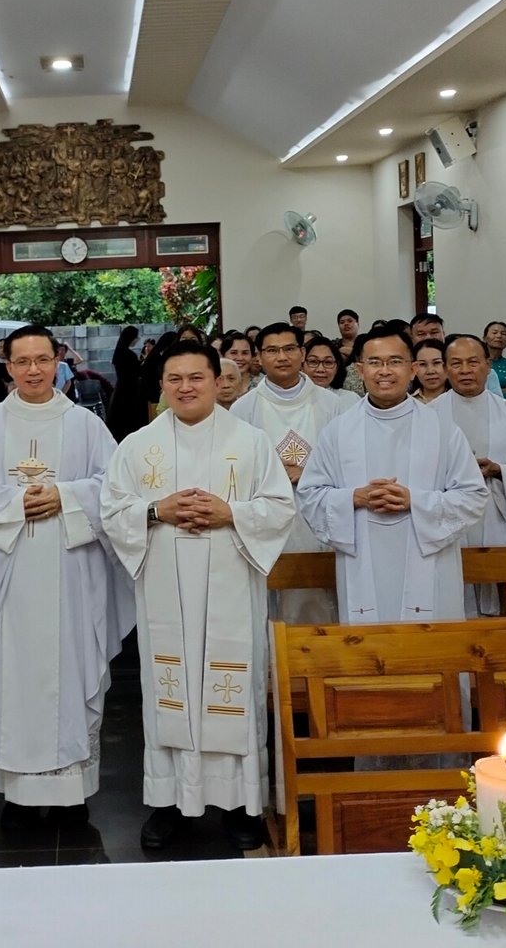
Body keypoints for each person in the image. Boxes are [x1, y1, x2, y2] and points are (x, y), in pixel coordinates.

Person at [101, 341, 294, 851]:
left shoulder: (250, 442)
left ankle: (239, 805)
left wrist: (232, 513)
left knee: (233, 690)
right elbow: (111, 510)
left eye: (196, 377)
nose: (185, 387)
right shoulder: (137, 446)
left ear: (217, 381)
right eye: (175, 379)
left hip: (232, 584)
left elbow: (280, 507)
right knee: (170, 690)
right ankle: (168, 803)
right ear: (161, 385)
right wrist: (156, 510)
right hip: (165, 587)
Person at [0, 325, 121, 828]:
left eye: (42, 360)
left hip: (71, 574)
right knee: (8, 678)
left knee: (70, 673)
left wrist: (64, 496)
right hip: (7, 578)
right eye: (22, 361)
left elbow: (114, 488)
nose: (33, 370)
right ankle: (16, 795)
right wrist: (15, 503)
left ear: (58, 361)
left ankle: (72, 793)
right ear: (7, 366)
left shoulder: (86, 424)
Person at [296, 326, 487, 624]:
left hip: (430, 561)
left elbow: (473, 496)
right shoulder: (338, 430)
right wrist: (354, 497)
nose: (384, 371)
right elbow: (309, 495)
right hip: (362, 558)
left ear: (412, 369)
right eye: (375, 362)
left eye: (395, 361)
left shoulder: (442, 429)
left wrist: (415, 501)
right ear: (360, 370)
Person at [231, 322, 357, 622]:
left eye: (289, 349)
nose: (282, 357)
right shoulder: (243, 409)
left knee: (326, 604)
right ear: (259, 357)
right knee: (274, 610)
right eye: (272, 350)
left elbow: (351, 462)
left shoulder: (333, 405)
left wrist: (309, 471)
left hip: (320, 516)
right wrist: (273, 473)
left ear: (302, 353)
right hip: (268, 518)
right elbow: (235, 470)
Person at [434, 335, 506, 616]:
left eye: (473, 362)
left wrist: (499, 470)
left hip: (497, 515)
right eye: (456, 363)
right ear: (445, 368)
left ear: (488, 365)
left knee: (503, 597)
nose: (465, 370)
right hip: (449, 517)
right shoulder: (428, 415)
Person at [107, 326, 148, 440]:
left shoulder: (119, 353)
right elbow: (138, 372)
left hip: (120, 391)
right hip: (130, 392)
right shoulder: (129, 355)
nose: (136, 340)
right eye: (136, 337)